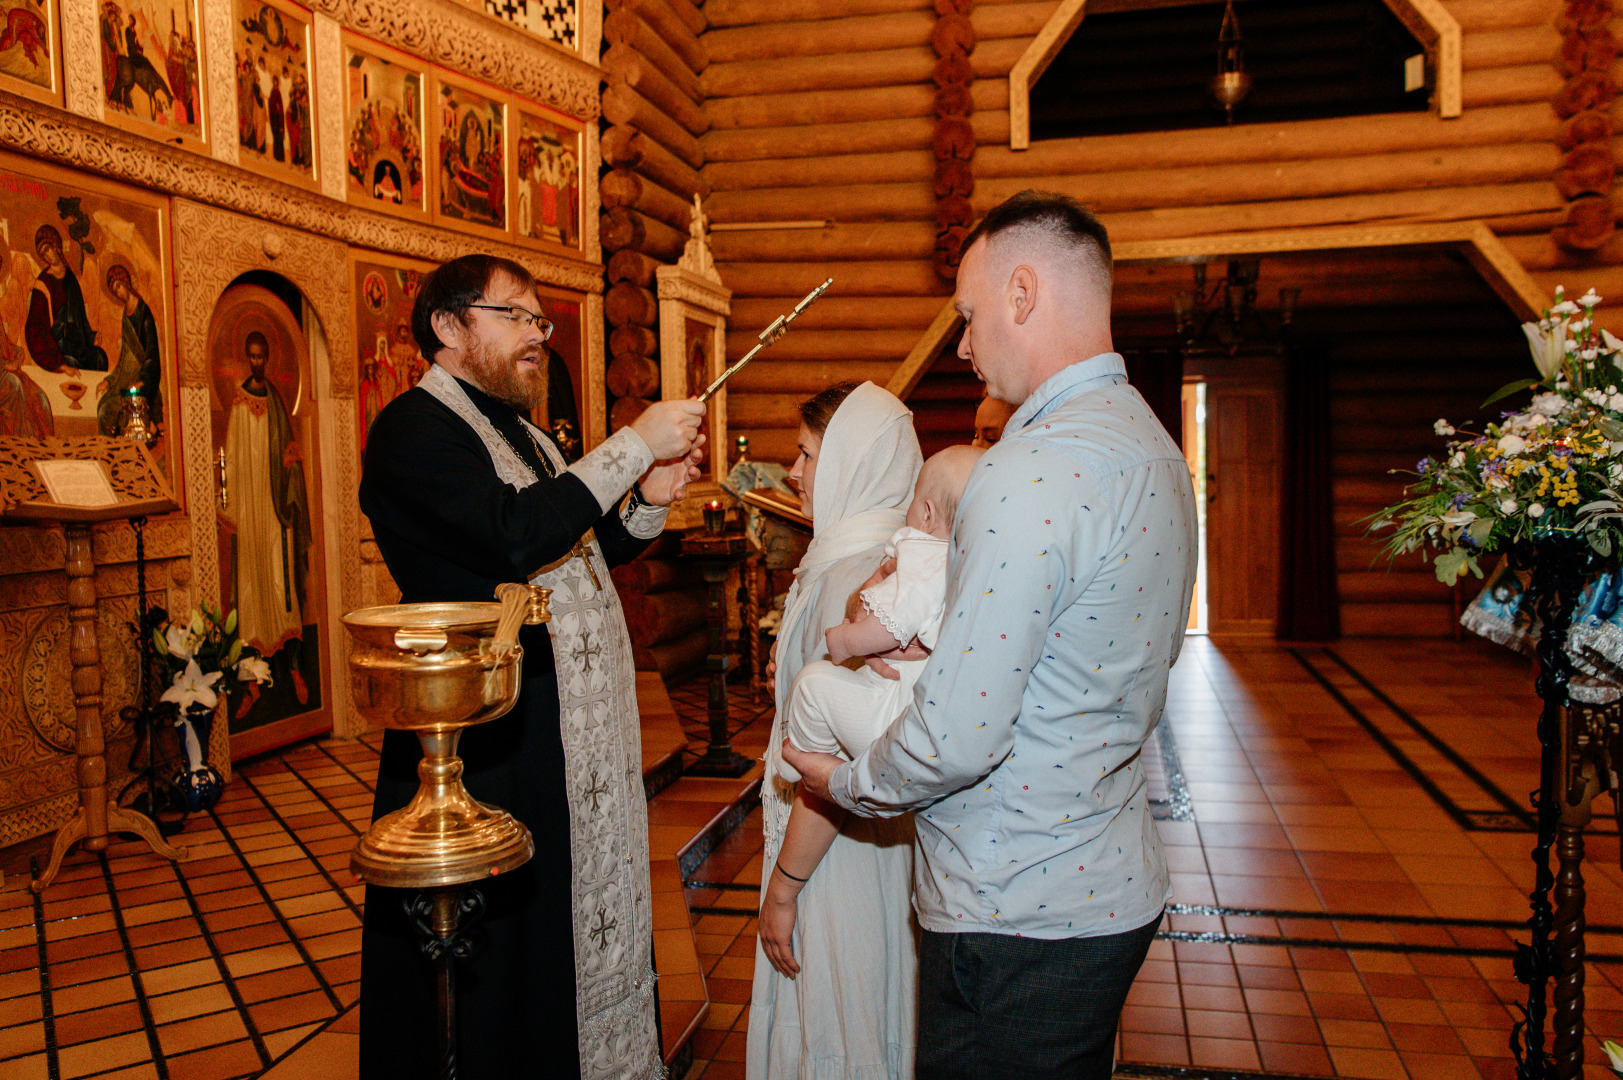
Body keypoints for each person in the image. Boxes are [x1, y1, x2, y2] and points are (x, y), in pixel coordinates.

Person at [785, 190, 1198, 1080]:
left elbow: (957, 737)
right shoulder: (1153, 446)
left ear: (1021, 293)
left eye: (967, 317)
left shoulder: (1024, 471)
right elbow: (1107, 653)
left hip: (1014, 905)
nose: (963, 346)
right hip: (1109, 877)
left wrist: (844, 782)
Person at [357, 253, 705, 1080]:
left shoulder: (531, 435)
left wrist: (649, 495)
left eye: (539, 321)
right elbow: (510, 537)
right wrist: (631, 445)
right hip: (487, 738)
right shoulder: (413, 429)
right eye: (514, 315)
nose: (537, 335)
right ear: (448, 326)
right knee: (510, 948)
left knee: (565, 916)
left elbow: (577, 551)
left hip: (564, 732)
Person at [748, 380, 923, 1080]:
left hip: (833, 853)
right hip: (855, 844)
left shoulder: (855, 576)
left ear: (854, 463)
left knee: (836, 1022)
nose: (792, 471)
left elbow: (834, 766)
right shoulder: (866, 556)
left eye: (808, 454)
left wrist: (784, 888)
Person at [776, 444, 983, 782]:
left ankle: (804, 759)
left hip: (894, 717)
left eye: (913, 499)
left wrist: (844, 640)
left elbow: (895, 624)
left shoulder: (927, 560)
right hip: (906, 710)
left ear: (927, 514)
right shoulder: (967, 563)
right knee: (832, 685)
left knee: (811, 681)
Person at [219, 330, 310, 704]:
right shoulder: (240, 401)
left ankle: (295, 668)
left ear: (268, 359)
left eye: (262, 356)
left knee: (282, 583)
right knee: (251, 588)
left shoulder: (275, 399)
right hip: (249, 506)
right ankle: (250, 682)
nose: (257, 362)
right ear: (246, 357)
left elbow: (289, 451)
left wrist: (290, 467)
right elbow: (232, 456)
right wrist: (231, 509)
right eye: (252, 356)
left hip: (275, 508)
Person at [25, 225, 108, 375]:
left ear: (56, 245)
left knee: (100, 359)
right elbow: (35, 328)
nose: (46, 256)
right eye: (42, 254)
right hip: (58, 347)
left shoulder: (70, 279)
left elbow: (80, 317)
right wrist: (59, 363)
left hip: (78, 344)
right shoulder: (43, 283)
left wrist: (92, 337)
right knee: (72, 363)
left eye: (47, 249)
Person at [97, 263, 162, 437]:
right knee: (104, 408)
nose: (118, 292)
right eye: (114, 291)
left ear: (126, 282)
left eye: (118, 286)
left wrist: (142, 381)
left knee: (126, 413)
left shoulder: (144, 312)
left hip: (144, 377)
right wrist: (109, 381)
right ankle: (110, 449)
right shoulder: (126, 316)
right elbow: (124, 356)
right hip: (126, 377)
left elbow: (152, 352)